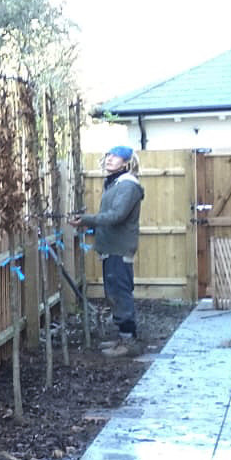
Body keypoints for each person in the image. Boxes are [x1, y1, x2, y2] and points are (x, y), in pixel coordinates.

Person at [68, 146, 144, 357]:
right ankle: (122, 337)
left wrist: (87, 219)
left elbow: (116, 216)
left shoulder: (128, 185)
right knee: (114, 293)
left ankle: (129, 343)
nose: (110, 159)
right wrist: (89, 223)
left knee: (121, 293)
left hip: (119, 248)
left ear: (126, 163)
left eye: (116, 157)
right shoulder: (114, 183)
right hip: (111, 247)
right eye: (109, 155)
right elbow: (109, 216)